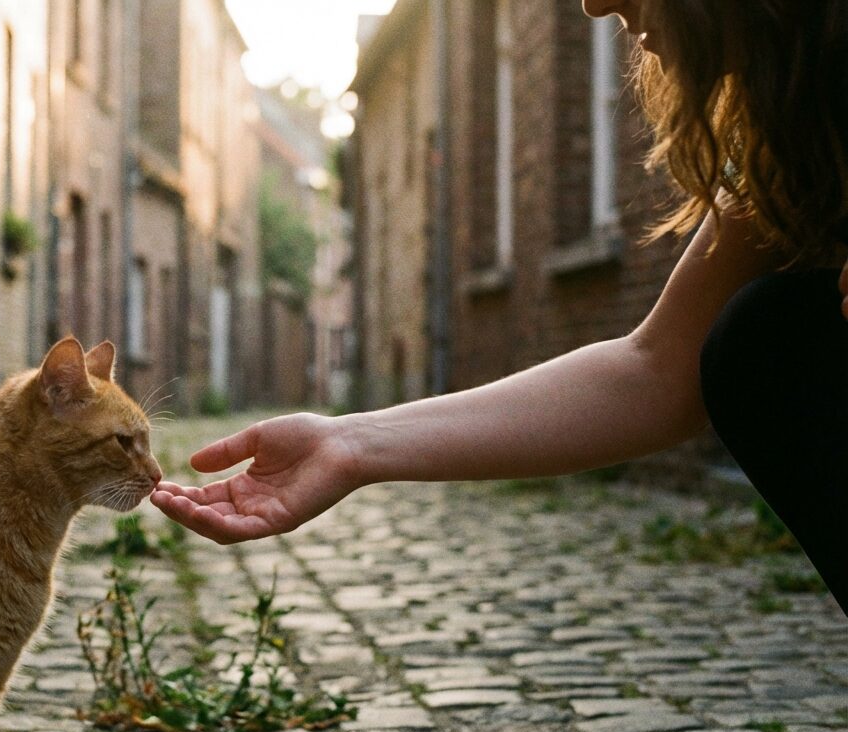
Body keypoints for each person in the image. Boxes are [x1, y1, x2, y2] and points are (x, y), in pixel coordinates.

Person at [151, 0, 848, 605]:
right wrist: (350, 443)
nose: (595, 5)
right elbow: (656, 368)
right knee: (756, 339)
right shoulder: (789, 133)